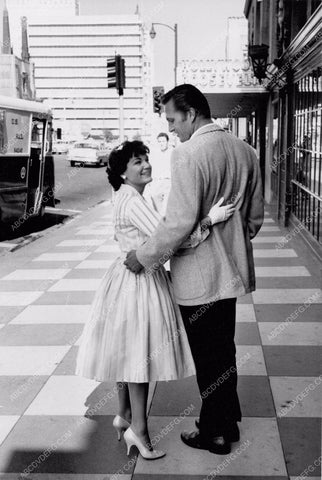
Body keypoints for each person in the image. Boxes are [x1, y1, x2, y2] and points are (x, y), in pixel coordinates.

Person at [124, 85, 264, 455]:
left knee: (208, 355)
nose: (171, 128)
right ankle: (226, 422)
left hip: (198, 278)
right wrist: (229, 240)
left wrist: (144, 255)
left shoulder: (188, 154)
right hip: (231, 273)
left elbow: (178, 223)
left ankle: (215, 433)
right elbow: (253, 221)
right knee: (224, 349)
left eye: (172, 119)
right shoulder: (246, 151)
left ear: (190, 113)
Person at [76, 140, 235, 460]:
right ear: (122, 171)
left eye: (146, 159)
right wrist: (210, 219)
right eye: (137, 162)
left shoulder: (127, 195)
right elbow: (168, 242)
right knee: (139, 359)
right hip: (139, 283)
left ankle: (123, 414)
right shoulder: (132, 200)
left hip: (125, 279)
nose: (146, 165)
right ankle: (140, 431)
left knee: (127, 352)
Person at [145, 132, 172, 216]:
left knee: (166, 208)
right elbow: (150, 168)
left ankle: (163, 221)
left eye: (163, 141)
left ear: (167, 142)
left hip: (169, 182)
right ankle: (160, 220)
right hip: (157, 183)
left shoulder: (172, 153)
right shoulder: (154, 154)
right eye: (159, 142)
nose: (161, 144)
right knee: (156, 205)